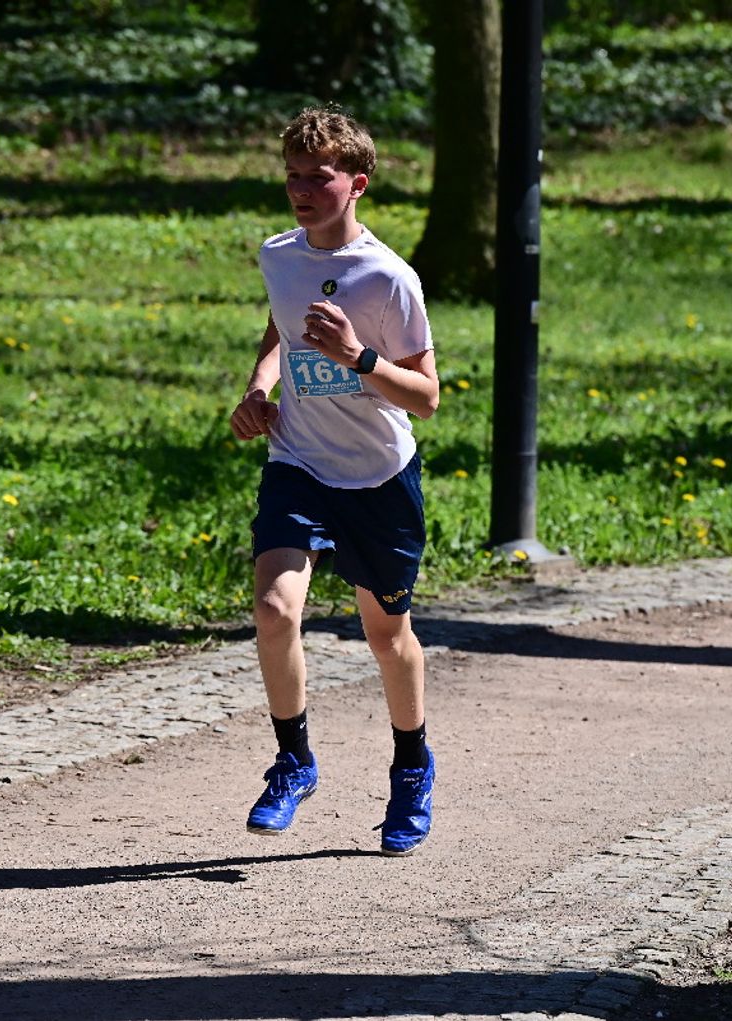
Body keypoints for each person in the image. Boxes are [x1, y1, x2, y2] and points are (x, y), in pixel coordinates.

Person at [229, 107, 441, 856]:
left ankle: (411, 767)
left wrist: (358, 358)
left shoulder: (389, 278)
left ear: (358, 182)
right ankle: (294, 760)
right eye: (291, 175)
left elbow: (426, 396)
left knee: (387, 636)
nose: (300, 190)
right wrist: (260, 387)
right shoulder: (278, 256)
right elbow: (282, 328)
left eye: (317, 177)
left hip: (379, 476)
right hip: (299, 462)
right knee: (273, 608)